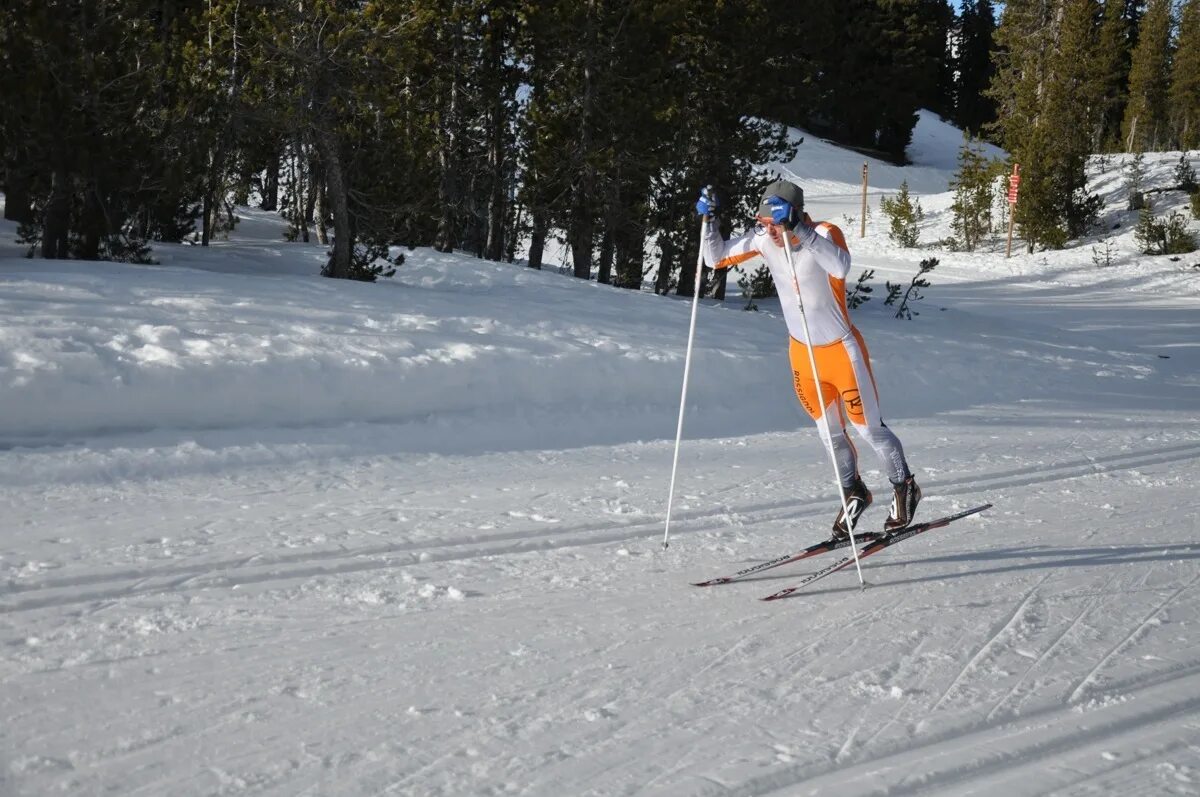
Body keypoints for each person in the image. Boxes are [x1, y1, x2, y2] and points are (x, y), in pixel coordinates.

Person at [694, 179, 920, 537]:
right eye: (763, 222)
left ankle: (904, 484)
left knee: (867, 429)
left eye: (774, 222)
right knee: (829, 434)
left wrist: (798, 228)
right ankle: (854, 492)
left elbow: (841, 266)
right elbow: (714, 258)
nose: (767, 230)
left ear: (794, 214)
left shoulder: (825, 234)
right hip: (802, 355)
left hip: (842, 353)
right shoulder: (764, 241)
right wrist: (709, 223)